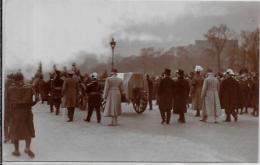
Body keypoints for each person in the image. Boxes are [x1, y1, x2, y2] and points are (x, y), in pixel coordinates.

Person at [7, 72, 38, 158]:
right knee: (28, 129)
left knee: (15, 130)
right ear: (22, 79)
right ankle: (27, 148)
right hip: (27, 112)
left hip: (15, 112)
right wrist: (31, 104)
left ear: (14, 80)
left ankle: (16, 150)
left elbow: (8, 102)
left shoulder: (10, 89)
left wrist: (9, 113)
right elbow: (37, 99)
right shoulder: (29, 88)